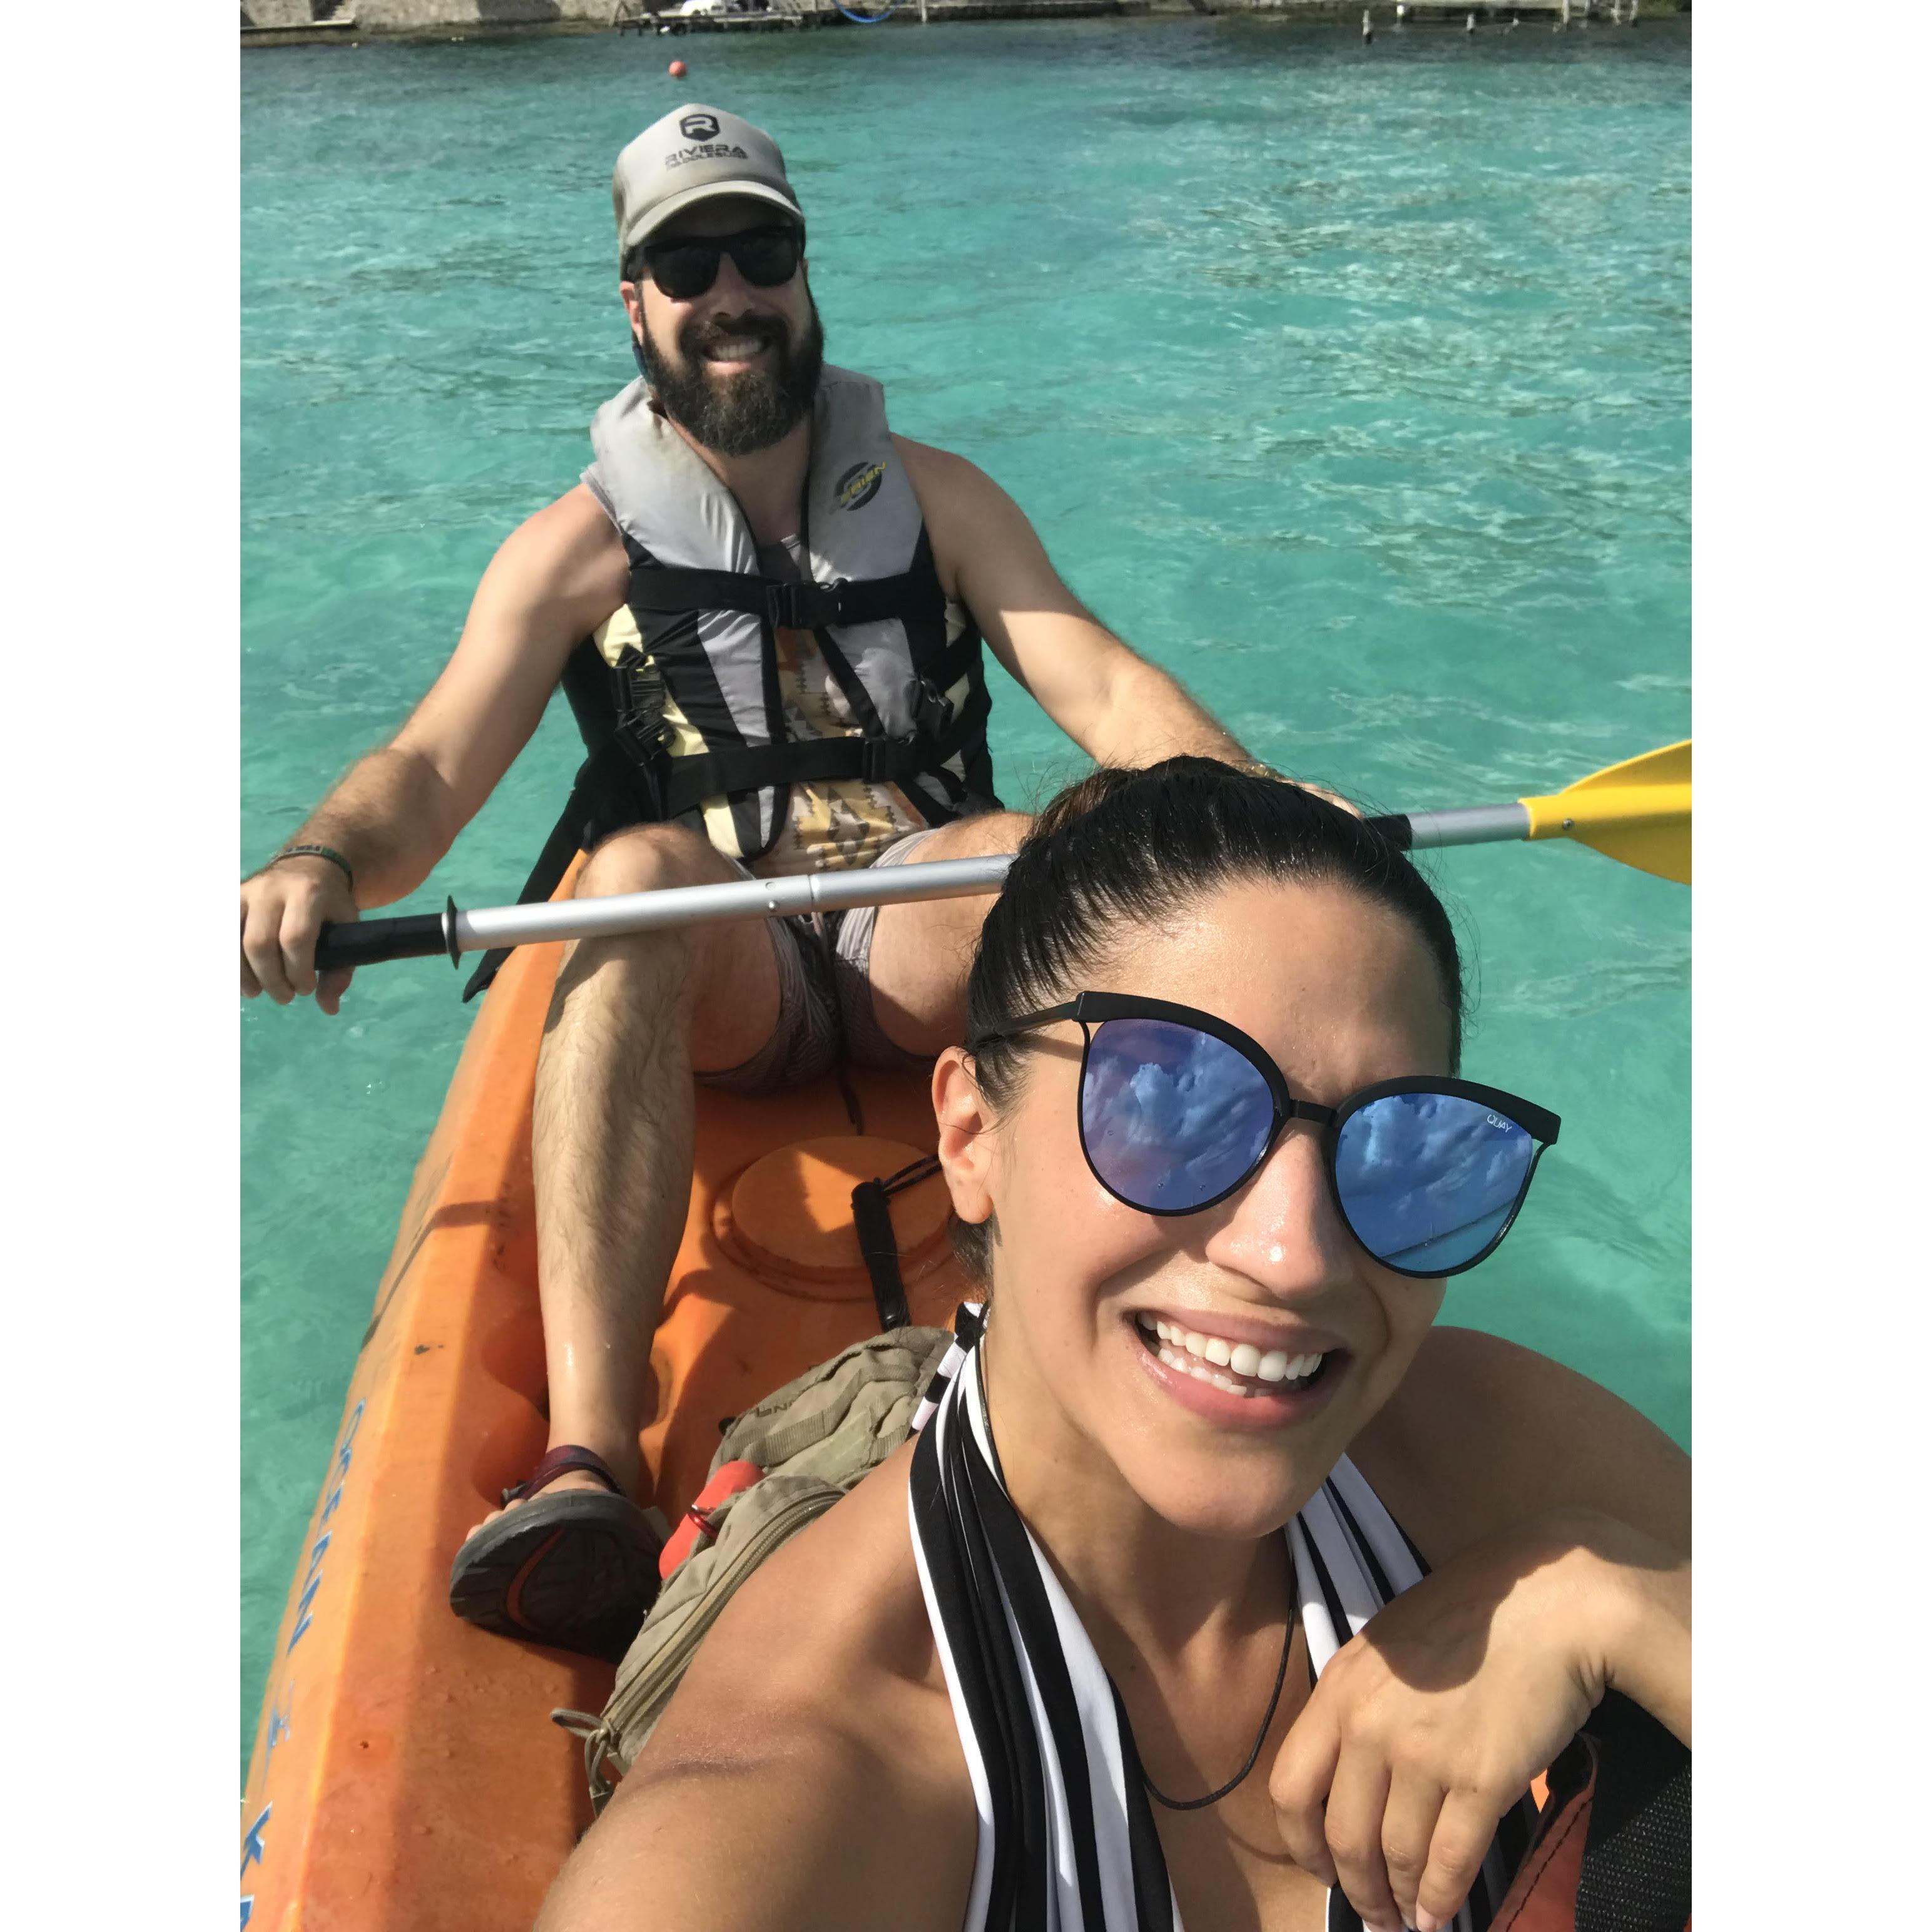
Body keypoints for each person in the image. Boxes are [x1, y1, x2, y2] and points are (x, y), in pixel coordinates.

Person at [238, 105, 1277, 1657]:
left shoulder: (940, 499)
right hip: (718, 945)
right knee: (627, 865)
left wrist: (1257, 819)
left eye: (759, 250)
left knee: (1054, 844)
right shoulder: (573, 550)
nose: (729, 289)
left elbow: (1109, 695)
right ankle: (592, 1459)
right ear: (635, 299)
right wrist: (322, 858)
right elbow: (435, 763)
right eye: (683, 259)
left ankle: (1108, 1354)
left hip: (920, 934)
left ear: (803, 273)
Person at [536, 760, 1690, 1932]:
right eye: (1171, 1104)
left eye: (1403, 1148)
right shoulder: (795, 1810)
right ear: (971, 1134)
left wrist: (1612, 1605)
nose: (1296, 1256)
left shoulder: (1473, 1447)